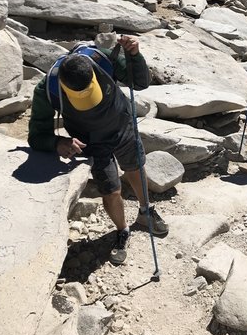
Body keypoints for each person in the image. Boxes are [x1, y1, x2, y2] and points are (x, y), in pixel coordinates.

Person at [28, 34, 168, 265]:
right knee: (110, 190)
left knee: (135, 168)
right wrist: (58, 143)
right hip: (92, 142)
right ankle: (122, 230)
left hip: (122, 125)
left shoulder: (102, 58)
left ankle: (145, 212)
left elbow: (140, 82)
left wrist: (134, 54)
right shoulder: (47, 89)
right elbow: (36, 136)